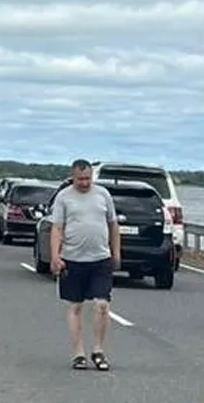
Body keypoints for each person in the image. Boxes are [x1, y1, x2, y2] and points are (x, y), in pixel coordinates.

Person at [49, 159, 121, 372]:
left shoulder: (103, 195)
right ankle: (78, 354)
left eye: (87, 178)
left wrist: (116, 253)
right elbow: (57, 228)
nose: (84, 182)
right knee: (76, 306)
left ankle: (98, 350)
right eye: (80, 179)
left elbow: (113, 224)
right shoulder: (63, 197)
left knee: (102, 305)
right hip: (73, 259)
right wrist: (55, 256)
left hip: (100, 258)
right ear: (73, 177)